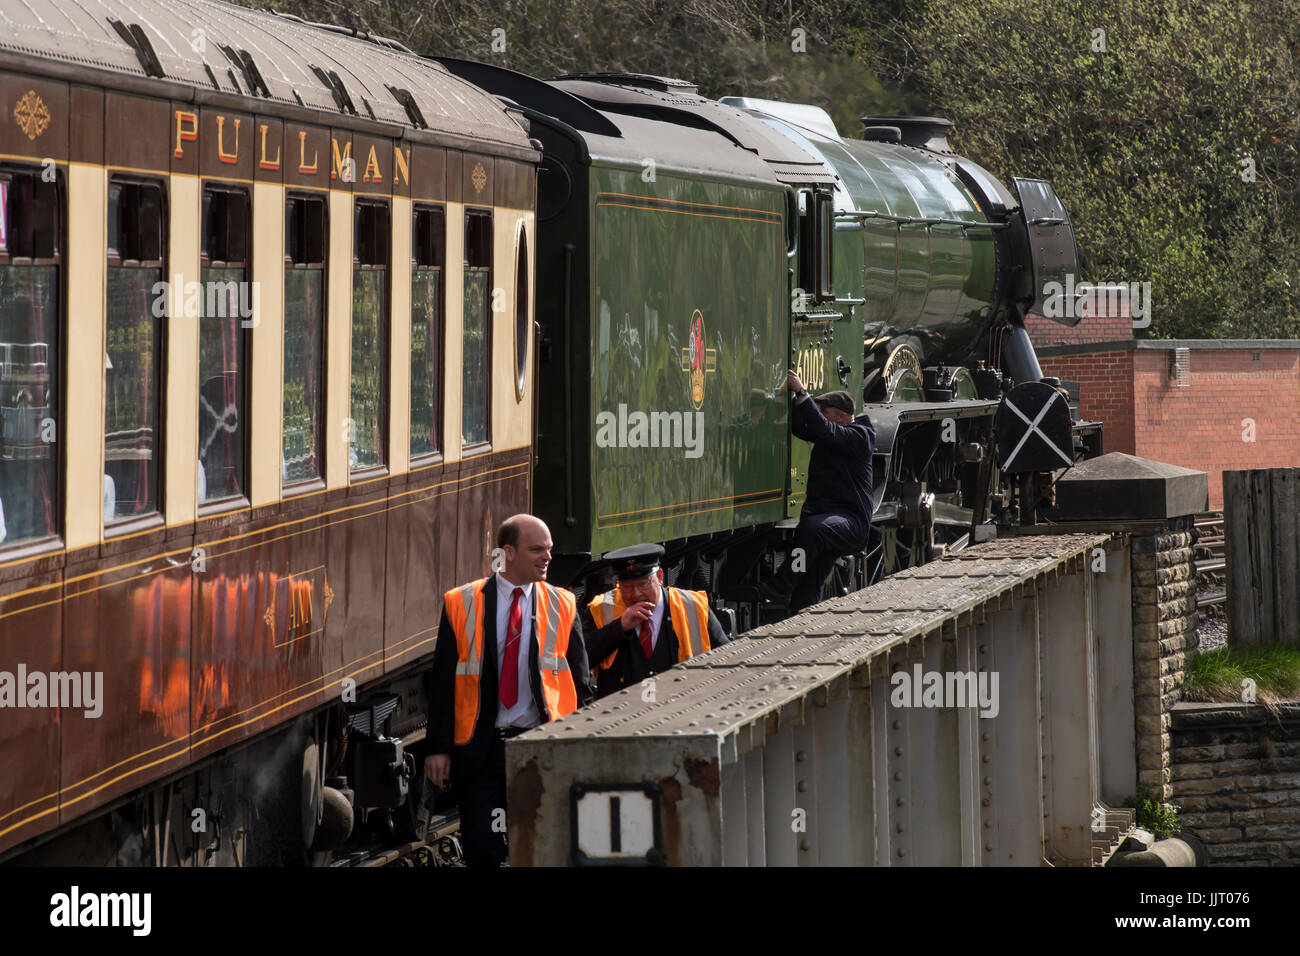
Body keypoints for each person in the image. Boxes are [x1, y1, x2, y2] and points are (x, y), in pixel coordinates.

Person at [423, 514, 591, 866]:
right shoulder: (461, 602)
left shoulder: (562, 604)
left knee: (541, 846)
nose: (547, 557)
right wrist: (437, 748)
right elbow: (442, 683)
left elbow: (580, 682)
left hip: (541, 746)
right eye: (537, 549)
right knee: (484, 849)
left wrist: (584, 744)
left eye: (549, 549)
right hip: (481, 750)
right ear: (508, 553)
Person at [770, 369, 876, 612]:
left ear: (839, 417)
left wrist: (802, 392)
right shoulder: (833, 434)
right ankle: (801, 626)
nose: (820, 416)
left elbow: (824, 430)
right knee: (807, 589)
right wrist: (790, 400)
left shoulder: (859, 435)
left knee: (812, 529)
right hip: (831, 520)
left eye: (824, 413)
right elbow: (802, 428)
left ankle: (780, 586)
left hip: (852, 523)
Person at [581, 543, 730, 699]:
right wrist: (620, 627)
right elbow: (580, 661)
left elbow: (725, 659)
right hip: (618, 714)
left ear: (659, 577)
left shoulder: (693, 606)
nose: (636, 594)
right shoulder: (600, 609)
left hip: (682, 708)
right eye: (626, 587)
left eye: (643, 584)